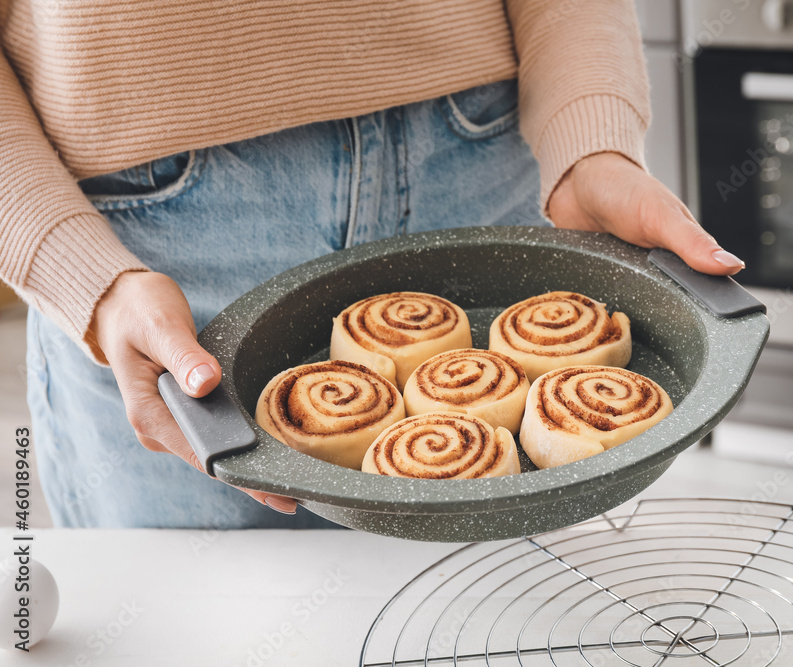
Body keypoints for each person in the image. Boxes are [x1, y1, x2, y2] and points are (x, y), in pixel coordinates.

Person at [0, 1, 744, 528]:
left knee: (491, 632)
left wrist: (592, 137)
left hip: (483, 162)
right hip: (154, 257)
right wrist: (76, 267)